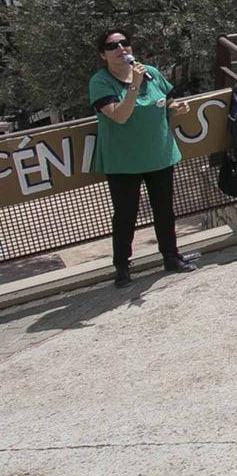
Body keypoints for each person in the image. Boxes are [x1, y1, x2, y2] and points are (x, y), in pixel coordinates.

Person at [90, 28, 193, 287]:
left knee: (164, 209)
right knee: (126, 214)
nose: (121, 49)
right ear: (103, 55)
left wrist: (177, 107)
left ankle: (171, 256)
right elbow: (120, 115)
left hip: (158, 153)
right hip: (124, 161)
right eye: (112, 46)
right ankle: (122, 268)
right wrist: (134, 85)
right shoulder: (100, 82)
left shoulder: (151, 72)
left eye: (125, 43)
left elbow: (167, 100)